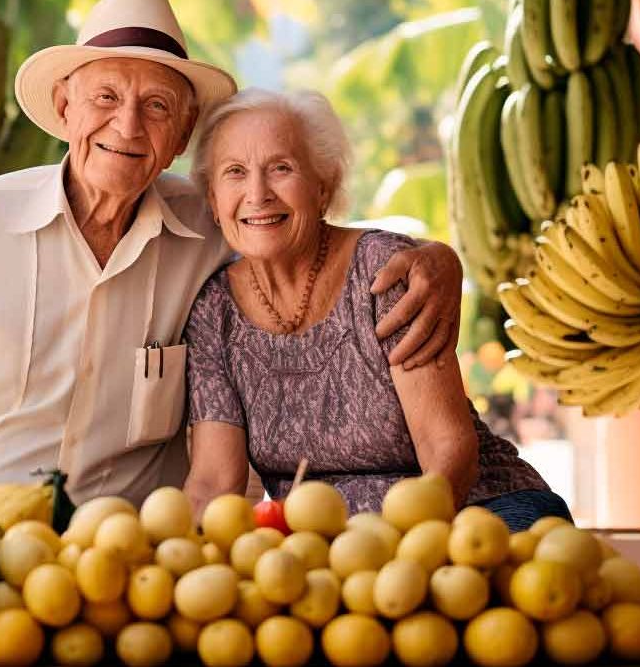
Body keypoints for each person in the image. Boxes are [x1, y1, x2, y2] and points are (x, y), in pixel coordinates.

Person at [0, 0, 463, 513]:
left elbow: (306, 225)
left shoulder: (216, 222)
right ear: (65, 107)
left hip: (121, 554)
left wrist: (440, 261)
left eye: (156, 106)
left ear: (183, 132)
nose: (128, 126)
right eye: (106, 98)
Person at [181, 88, 571, 531]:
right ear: (213, 200)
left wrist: (401, 547)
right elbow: (214, 481)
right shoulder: (214, 312)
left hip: (472, 509)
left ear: (322, 187)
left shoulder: (384, 270)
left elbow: (446, 449)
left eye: (281, 168)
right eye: (235, 172)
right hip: (328, 539)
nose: (257, 193)